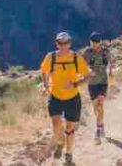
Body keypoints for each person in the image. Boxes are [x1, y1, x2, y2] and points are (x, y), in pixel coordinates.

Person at [40, 32, 90, 166]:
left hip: (72, 98)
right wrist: (45, 86)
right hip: (55, 96)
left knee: (70, 128)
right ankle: (60, 143)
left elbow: (88, 75)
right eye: (60, 43)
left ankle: (69, 155)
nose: (63, 46)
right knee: (56, 126)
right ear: (56, 44)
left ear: (70, 43)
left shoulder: (76, 58)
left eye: (66, 43)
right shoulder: (50, 57)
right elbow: (44, 71)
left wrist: (75, 84)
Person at [83, 32, 113, 144]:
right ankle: (101, 123)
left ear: (99, 42)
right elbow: (82, 65)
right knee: (96, 108)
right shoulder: (87, 52)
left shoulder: (106, 51)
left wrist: (110, 72)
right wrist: (88, 71)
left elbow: (111, 61)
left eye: (96, 42)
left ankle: (98, 129)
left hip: (103, 82)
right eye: (92, 42)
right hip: (92, 84)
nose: (94, 45)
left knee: (100, 104)